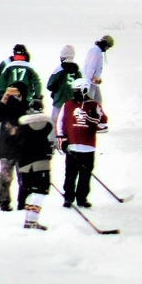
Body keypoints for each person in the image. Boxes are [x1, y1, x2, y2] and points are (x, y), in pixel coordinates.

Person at [57, 78, 107, 208]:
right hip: (72, 146)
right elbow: (60, 122)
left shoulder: (94, 105)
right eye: (74, 90)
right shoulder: (68, 104)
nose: (75, 93)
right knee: (70, 174)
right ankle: (68, 197)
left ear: (85, 90)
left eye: (77, 90)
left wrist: (94, 119)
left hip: (88, 147)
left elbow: (104, 126)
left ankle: (82, 198)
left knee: (85, 175)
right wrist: (62, 139)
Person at [0, 82, 29, 211]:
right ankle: (4, 202)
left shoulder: (27, 105)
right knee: (5, 177)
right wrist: (3, 99)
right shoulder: (5, 104)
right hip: (6, 147)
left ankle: (23, 202)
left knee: (24, 178)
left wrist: (17, 131)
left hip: (22, 148)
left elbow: (31, 126)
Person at [16, 98, 54, 230]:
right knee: (40, 192)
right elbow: (51, 142)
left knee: (31, 192)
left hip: (25, 164)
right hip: (41, 163)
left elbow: (17, 143)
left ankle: (29, 220)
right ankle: (32, 220)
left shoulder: (22, 126)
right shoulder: (48, 124)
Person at [46, 44, 82, 132]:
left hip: (59, 100)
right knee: (71, 121)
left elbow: (50, 85)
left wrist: (56, 90)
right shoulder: (78, 71)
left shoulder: (59, 69)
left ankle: (54, 141)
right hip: (73, 101)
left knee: (54, 121)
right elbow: (82, 84)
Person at [83, 35, 114, 105]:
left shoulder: (98, 51)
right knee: (89, 104)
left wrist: (98, 78)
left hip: (94, 83)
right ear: (104, 43)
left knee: (98, 102)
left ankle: (98, 115)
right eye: (108, 46)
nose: (108, 48)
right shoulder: (95, 50)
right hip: (89, 82)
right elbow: (90, 65)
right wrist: (94, 77)